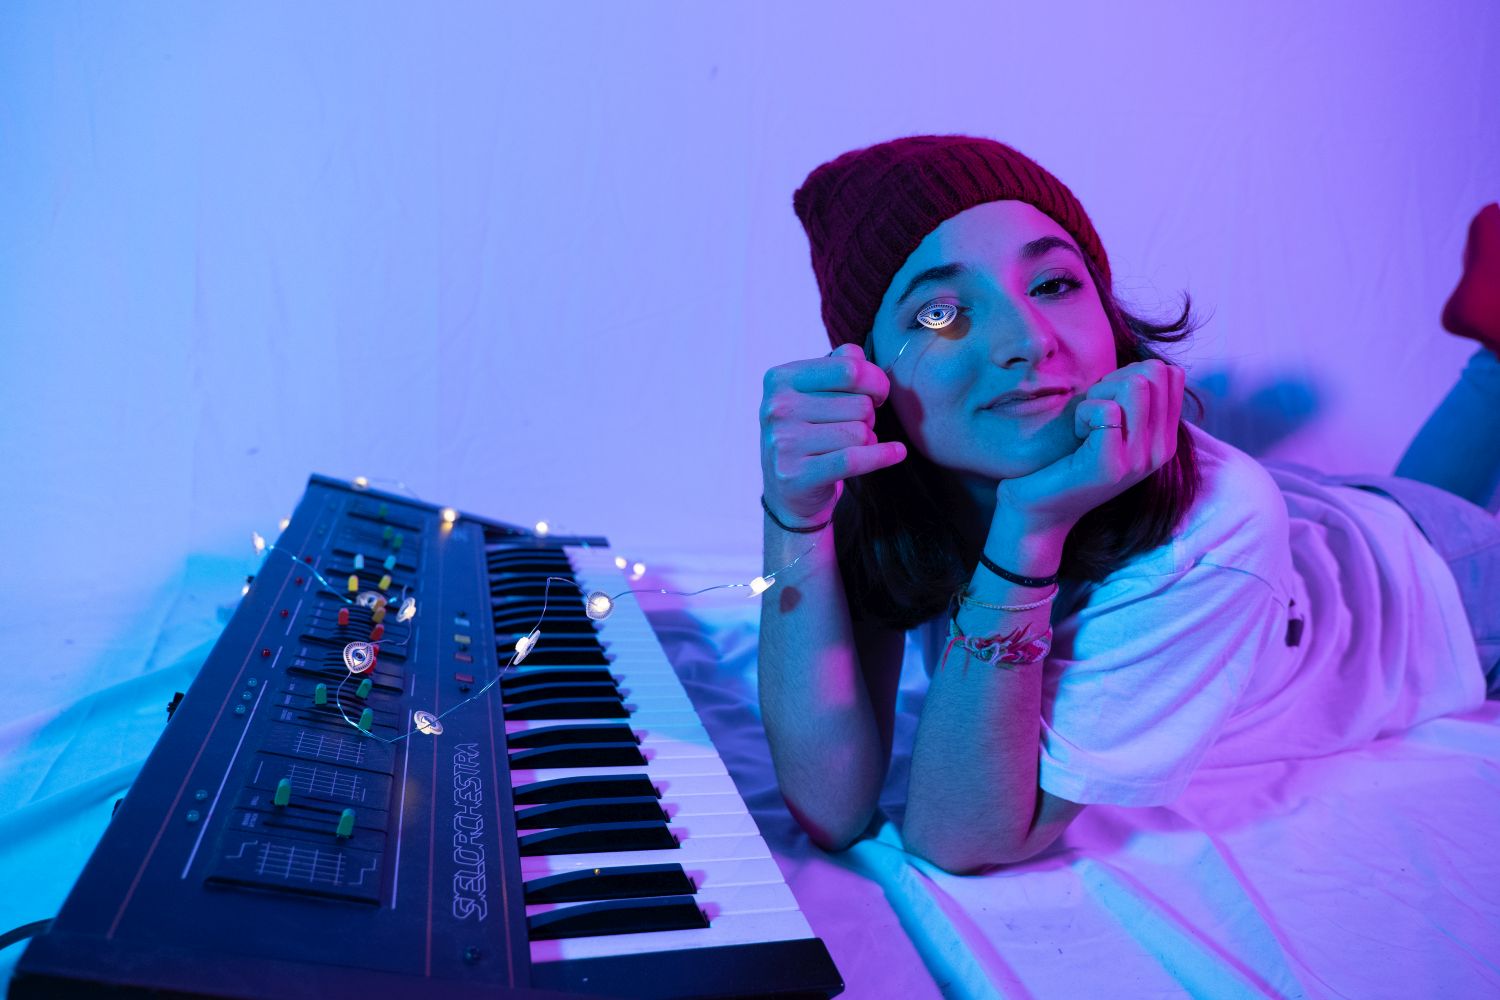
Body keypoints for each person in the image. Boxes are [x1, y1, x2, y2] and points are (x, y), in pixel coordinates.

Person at [756, 135, 1500, 875]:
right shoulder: (883, 481)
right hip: (1328, 529)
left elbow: (958, 836)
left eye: (1053, 284)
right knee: (1404, 503)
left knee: (1434, 521)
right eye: (942, 315)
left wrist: (1028, 527)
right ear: (866, 373)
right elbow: (832, 807)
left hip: (1440, 593)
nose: (1027, 340)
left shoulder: (1215, 524)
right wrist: (796, 514)